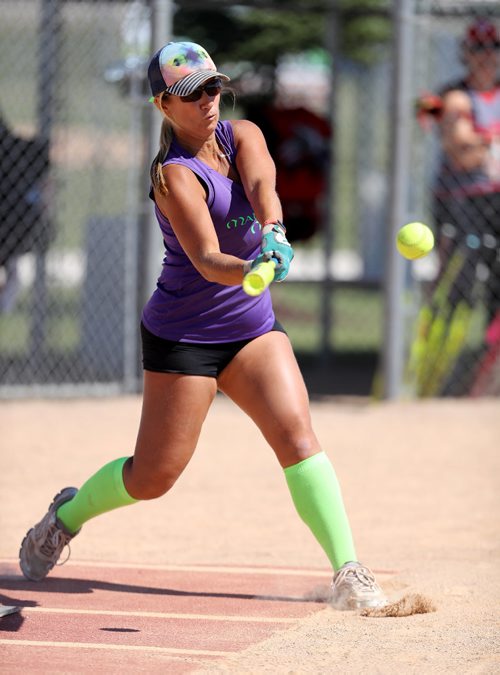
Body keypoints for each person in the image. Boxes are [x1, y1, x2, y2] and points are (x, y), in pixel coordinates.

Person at [19, 41, 385, 610]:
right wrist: (253, 269)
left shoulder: (245, 135)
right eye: (192, 94)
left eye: (213, 87)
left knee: (297, 438)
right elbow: (208, 260)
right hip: (184, 336)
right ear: (165, 105)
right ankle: (65, 515)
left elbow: (265, 187)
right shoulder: (174, 176)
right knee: (153, 477)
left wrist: (275, 232)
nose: (208, 101)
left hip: (252, 329)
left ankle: (349, 569)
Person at [415, 18, 500, 392]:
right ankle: (434, 373)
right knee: (457, 285)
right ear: (466, 53)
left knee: (495, 290)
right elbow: (461, 150)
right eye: (478, 48)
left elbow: (471, 141)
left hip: (494, 199)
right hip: (461, 201)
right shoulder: (453, 94)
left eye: (492, 48)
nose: (485, 57)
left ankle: (485, 374)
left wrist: (480, 139)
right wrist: (485, 141)